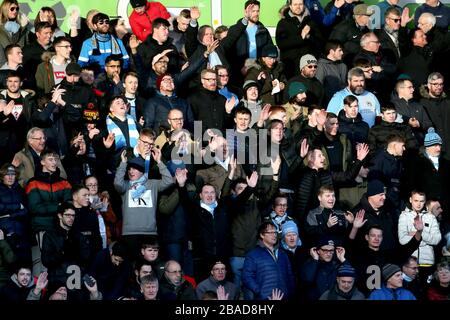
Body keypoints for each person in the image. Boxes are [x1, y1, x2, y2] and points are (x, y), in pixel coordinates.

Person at [114, 147, 172, 259]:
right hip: (129, 233)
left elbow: (168, 181)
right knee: (132, 265)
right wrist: (123, 164)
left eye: (135, 169)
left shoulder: (152, 184)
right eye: (129, 169)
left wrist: (159, 162)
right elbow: (117, 184)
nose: (131, 171)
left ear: (142, 171)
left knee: (149, 266)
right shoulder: (125, 185)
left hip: (150, 233)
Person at [242, 222, 295, 300]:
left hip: (284, 297)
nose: (274, 235)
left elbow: (290, 275)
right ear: (262, 235)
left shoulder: (282, 254)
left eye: (275, 232)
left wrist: (289, 291)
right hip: (265, 298)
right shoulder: (253, 254)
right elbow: (247, 277)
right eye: (270, 232)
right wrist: (260, 291)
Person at [275, 0, 323, 80]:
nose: (298, 7)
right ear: (290, 6)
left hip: (309, 67)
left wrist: (308, 37)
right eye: (295, 4)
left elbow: (320, 43)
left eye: (300, 4)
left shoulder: (311, 23)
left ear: (304, 5)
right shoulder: (283, 23)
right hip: (291, 67)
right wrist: (301, 37)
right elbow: (281, 44)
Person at [0, 163, 29, 265]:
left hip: (21, 232)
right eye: (7, 174)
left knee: (22, 266)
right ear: (2, 176)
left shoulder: (20, 190)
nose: (10, 177)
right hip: (5, 231)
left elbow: (26, 210)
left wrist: (11, 215)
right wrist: (17, 206)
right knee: (7, 264)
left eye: (13, 174)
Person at [316, 40, 347, 104]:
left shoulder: (343, 66)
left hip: (343, 102)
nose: (342, 53)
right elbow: (318, 87)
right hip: (328, 103)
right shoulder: (321, 66)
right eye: (340, 50)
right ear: (331, 51)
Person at [0, 0, 28, 66]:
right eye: (12, 9)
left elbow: (26, 45)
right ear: (5, 9)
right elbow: (13, 44)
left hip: (21, 65)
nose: (15, 11)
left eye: (17, 9)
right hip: (5, 66)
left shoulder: (22, 25)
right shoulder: (1, 29)